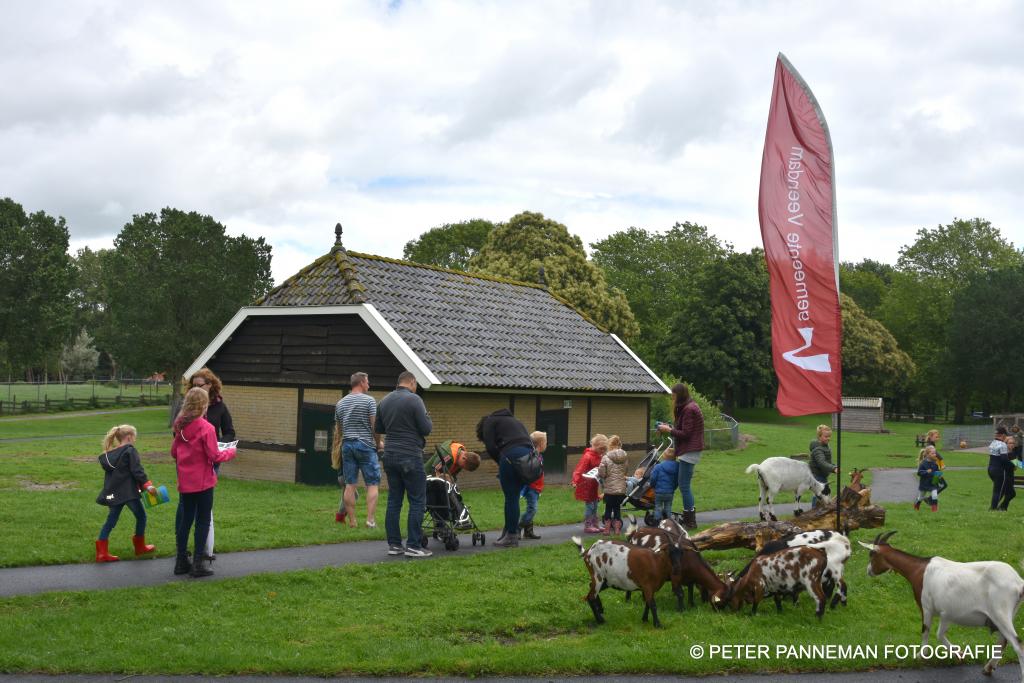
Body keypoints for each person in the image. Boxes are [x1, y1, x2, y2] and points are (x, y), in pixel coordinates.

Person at [171, 387, 237, 577]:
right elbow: (214, 455)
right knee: (203, 520)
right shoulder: (206, 427)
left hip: (185, 481)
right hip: (203, 482)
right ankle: (198, 563)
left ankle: (181, 561)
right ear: (203, 404)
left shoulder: (179, 426)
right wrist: (230, 451)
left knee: (185, 520)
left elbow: (174, 452)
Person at [376, 371, 433, 558]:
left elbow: (379, 428)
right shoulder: (415, 400)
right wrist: (427, 418)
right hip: (410, 454)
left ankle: (394, 545)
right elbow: (426, 429)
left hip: (390, 454)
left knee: (394, 501)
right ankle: (414, 545)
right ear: (412, 382)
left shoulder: (384, 401)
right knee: (417, 501)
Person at [181, 368, 235, 560]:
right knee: (187, 511)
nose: (196, 388)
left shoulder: (219, 407)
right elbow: (176, 441)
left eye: (200, 385)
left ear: (211, 385)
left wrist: (220, 443)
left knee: (204, 511)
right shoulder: (186, 410)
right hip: (190, 465)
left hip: (210, 462)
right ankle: (187, 555)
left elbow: (229, 431)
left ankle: (204, 551)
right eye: (193, 385)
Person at [94, 425, 158, 562]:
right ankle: (140, 548)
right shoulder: (130, 451)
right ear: (129, 437)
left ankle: (101, 553)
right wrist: (148, 485)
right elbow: (137, 470)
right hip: (128, 493)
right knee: (141, 516)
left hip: (114, 493)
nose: (135, 440)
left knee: (111, 520)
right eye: (135, 437)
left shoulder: (110, 455)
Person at [477, 407, 535, 548]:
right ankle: (508, 531)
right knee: (514, 497)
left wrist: (502, 462)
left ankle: (511, 536)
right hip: (529, 458)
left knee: (511, 498)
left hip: (511, 454)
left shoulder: (490, 421)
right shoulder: (516, 421)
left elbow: (490, 447)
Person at [335, 372, 382, 529]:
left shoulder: (340, 403)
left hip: (347, 445)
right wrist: (377, 443)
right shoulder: (369, 401)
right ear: (361, 382)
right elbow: (375, 427)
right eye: (367, 382)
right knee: (373, 483)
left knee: (350, 485)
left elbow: (339, 430)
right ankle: (370, 520)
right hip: (366, 446)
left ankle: (353, 521)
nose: (369, 385)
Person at [657, 383, 704, 529]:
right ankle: (689, 518)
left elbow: (686, 434)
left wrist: (668, 430)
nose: (672, 399)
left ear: (680, 395)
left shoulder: (689, 409)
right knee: (683, 485)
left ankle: (690, 521)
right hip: (688, 450)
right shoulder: (688, 406)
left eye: (674, 396)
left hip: (689, 451)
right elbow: (683, 429)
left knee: (684, 486)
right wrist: (670, 427)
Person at [571, 434, 608, 534]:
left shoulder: (598, 456)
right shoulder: (588, 457)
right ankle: (588, 525)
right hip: (586, 485)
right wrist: (575, 481)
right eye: (601, 449)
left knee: (595, 505)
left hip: (594, 485)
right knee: (590, 506)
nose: (603, 452)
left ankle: (595, 524)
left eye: (604, 450)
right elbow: (579, 469)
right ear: (595, 445)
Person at [598, 435, 629, 535]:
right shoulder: (625, 456)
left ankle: (607, 530)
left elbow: (602, 473)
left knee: (608, 508)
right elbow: (625, 470)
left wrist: (604, 475)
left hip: (610, 489)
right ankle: (617, 530)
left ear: (609, 445)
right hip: (620, 489)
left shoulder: (605, 457)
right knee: (617, 509)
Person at [519, 431, 546, 540]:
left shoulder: (539, 456)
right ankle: (517, 528)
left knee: (531, 509)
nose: (546, 445)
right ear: (541, 444)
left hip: (537, 487)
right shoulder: (533, 455)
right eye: (545, 442)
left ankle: (528, 532)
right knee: (532, 509)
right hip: (532, 487)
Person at [809, 424, 838, 506]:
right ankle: (814, 511)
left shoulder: (825, 446)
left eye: (829, 436)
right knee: (819, 494)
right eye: (826, 436)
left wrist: (834, 466)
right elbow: (822, 462)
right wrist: (833, 468)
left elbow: (827, 461)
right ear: (819, 437)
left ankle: (821, 509)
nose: (828, 438)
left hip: (822, 475)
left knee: (823, 493)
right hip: (817, 476)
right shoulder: (818, 449)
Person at [647, 448, 679, 522]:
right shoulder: (678, 466)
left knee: (658, 506)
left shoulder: (658, 467)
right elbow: (677, 479)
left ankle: (657, 521)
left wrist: (652, 486)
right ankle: (668, 521)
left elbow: (653, 478)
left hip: (659, 491)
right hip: (670, 492)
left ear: (664, 456)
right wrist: (674, 487)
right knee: (668, 506)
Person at [988, 426, 1016, 511]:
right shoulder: (1003, 447)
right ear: (1003, 436)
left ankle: (1001, 508)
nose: (1012, 445)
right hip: (1001, 473)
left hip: (992, 469)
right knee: (1000, 491)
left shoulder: (993, 443)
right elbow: (1005, 460)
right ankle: (994, 508)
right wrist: (1013, 466)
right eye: (1010, 443)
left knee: (1007, 492)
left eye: (1013, 443)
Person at [915, 446, 940, 512]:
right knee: (921, 497)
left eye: (935, 453)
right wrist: (926, 471)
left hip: (932, 483)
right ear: (927, 454)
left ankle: (934, 509)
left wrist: (938, 476)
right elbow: (919, 473)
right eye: (932, 453)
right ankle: (916, 505)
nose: (935, 454)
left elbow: (937, 472)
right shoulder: (923, 463)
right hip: (924, 483)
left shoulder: (935, 463)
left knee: (934, 495)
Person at [925, 429, 948, 494]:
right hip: (933, 470)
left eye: (938, 437)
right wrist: (942, 464)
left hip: (934, 469)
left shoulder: (930, 445)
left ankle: (929, 499)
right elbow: (937, 455)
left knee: (937, 486)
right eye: (936, 437)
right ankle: (930, 500)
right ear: (930, 437)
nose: (938, 438)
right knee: (942, 485)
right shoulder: (930, 446)